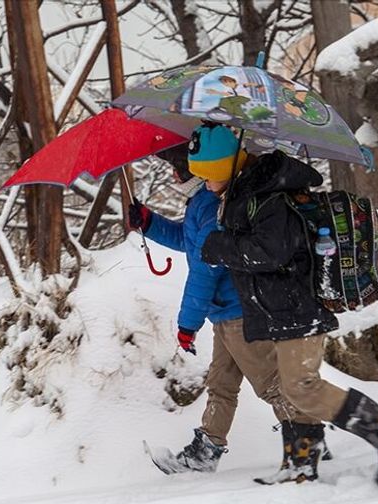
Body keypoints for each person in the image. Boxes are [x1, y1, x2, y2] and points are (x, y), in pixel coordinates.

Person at [199, 126, 378, 486]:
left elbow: (271, 253)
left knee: (302, 386)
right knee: (293, 386)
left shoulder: (269, 198)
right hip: (279, 308)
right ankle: (300, 463)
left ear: (227, 166)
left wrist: (219, 246)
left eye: (208, 174)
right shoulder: (249, 194)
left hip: (295, 307)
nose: (204, 182)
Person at [128, 127, 331, 482]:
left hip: (238, 310)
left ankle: (307, 441)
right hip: (224, 311)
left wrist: (187, 324)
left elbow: (204, 272)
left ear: (195, 172)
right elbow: (189, 242)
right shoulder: (201, 203)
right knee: (221, 383)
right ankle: (206, 451)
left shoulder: (210, 205)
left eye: (178, 171)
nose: (174, 177)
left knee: (268, 383)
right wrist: (150, 223)